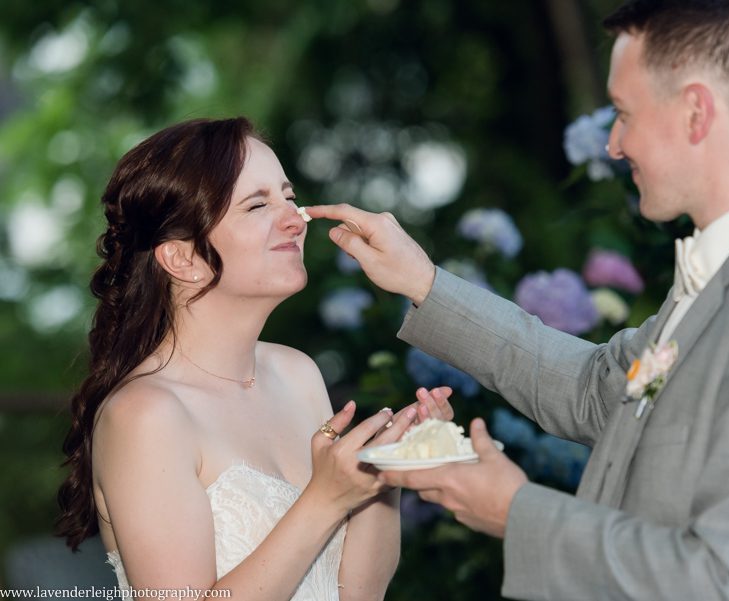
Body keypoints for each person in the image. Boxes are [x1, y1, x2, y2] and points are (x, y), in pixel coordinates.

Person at [305, 1, 729, 599]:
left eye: (623, 113)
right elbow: (602, 393)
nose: (614, 145)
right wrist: (423, 282)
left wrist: (518, 513)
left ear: (696, 112)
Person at [54, 117, 454, 601]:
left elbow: (358, 593)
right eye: (257, 205)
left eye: (288, 197)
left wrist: (384, 474)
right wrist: (324, 501)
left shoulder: (298, 372)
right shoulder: (145, 415)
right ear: (183, 259)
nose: (294, 219)